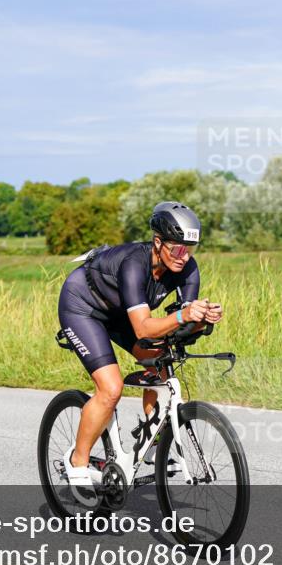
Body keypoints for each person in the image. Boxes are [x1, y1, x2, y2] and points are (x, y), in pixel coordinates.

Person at [57, 201, 222, 494]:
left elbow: (177, 328)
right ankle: (77, 461)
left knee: (159, 359)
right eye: (178, 248)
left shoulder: (188, 270)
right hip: (83, 307)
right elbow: (144, 328)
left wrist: (201, 320)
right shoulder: (135, 263)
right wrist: (185, 314)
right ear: (158, 242)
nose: (185, 257)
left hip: (123, 313)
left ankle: (150, 439)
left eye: (191, 250)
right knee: (111, 389)